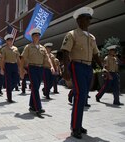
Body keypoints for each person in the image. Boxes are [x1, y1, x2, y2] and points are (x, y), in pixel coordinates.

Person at [61, 7, 103, 139]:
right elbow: (65, 52)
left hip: (88, 67)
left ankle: (78, 124)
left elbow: (96, 54)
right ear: (79, 21)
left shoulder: (91, 37)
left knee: (84, 96)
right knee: (79, 96)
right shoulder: (72, 34)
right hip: (77, 66)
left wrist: (103, 68)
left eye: (89, 19)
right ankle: (75, 127)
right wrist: (65, 70)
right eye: (86, 19)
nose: (88, 21)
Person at [20, 28, 55, 117]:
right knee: (35, 87)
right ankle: (38, 108)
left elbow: (47, 58)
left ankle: (32, 105)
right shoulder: (28, 47)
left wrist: (51, 66)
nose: (37, 37)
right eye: (35, 35)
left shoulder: (43, 48)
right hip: (32, 68)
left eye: (38, 35)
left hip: (40, 69)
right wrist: (21, 69)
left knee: (36, 87)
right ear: (32, 37)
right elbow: (23, 58)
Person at [1, 34, 21, 103]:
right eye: (9, 40)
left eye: (11, 40)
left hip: (14, 65)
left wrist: (20, 68)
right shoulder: (4, 49)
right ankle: (9, 98)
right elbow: (3, 59)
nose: (10, 41)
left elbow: (18, 58)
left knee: (16, 81)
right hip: (8, 66)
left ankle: (9, 90)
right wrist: (1, 68)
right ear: (6, 41)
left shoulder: (15, 48)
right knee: (8, 82)